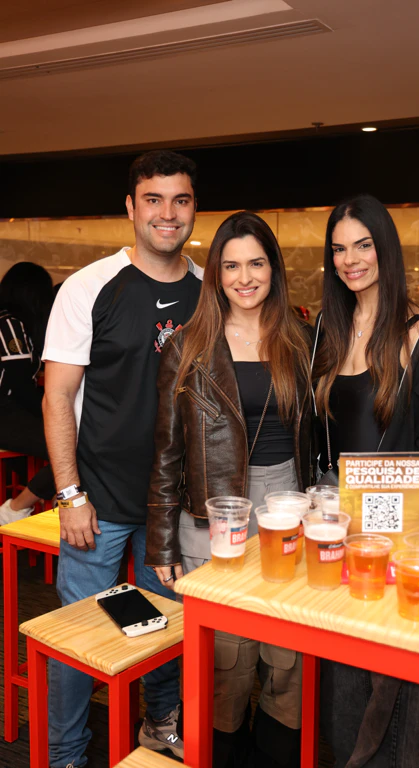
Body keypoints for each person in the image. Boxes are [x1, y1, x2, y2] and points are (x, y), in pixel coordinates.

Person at [42, 149, 203, 768]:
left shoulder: (209, 291)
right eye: (154, 200)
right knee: (80, 635)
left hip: (175, 507)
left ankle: (160, 725)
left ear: (194, 208)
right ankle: (65, 753)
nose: (168, 213)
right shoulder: (89, 287)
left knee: (164, 628)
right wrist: (69, 494)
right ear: (131, 208)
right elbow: (57, 397)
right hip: (99, 502)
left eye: (180, 200)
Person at [145, 210, 312, 768]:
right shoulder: (188, 346)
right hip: (213, 517)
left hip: (287, 509)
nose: (245, 277)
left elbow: (319, 438)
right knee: (226, 667)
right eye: (232, 265)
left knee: (288, 662)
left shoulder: (301, 341)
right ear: (216, 273)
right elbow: (167, 451)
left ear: (274, 269)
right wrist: (161, 544)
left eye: (256, 264)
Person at [312, 194, 419, 768]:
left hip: (401, 534)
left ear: (385, 249)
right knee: (343, 671)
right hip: (337, 529)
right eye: (339, 249)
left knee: (397, 677)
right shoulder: (327, 331)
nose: (350, 260)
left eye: (363, 245)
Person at [0, 262, 56, 524]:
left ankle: (50, 502)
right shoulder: (10, 324)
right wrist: (51, 415)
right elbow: (19, 384)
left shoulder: (10, 321)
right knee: (71, 448)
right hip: (5, 412)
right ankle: (13, 510)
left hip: (10, 410)